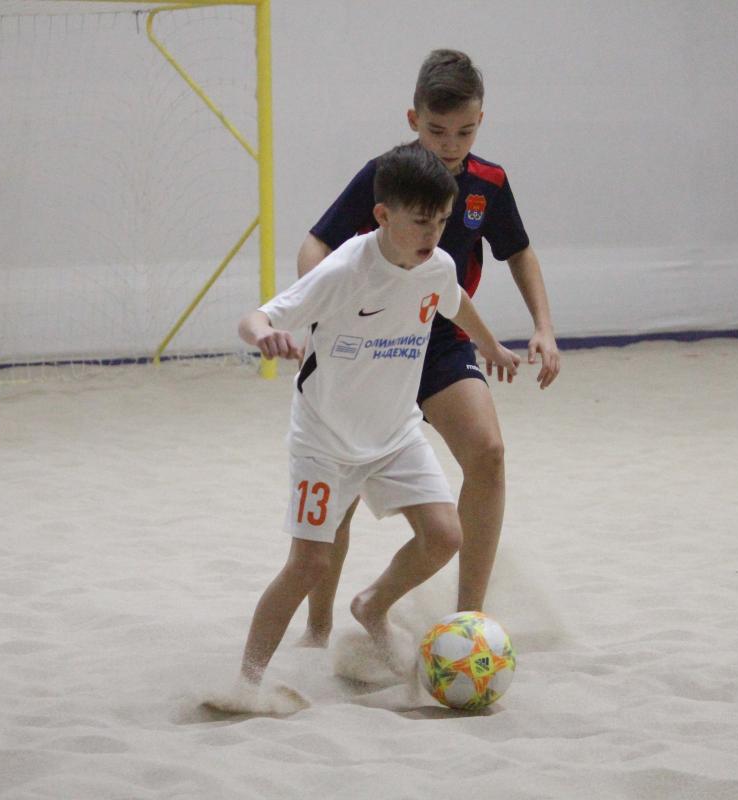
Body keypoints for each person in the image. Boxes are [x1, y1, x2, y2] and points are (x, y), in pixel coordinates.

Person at [222, 143, 520, 706]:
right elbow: (255, 316)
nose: (433, 232)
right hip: (325, 441)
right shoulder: (345, 271)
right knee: (307, 564)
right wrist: (265, 334)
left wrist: (492, 346)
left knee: (445, 536)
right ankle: (245, 684)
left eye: (442, 220)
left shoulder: (437, 264)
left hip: (395, 434)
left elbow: (455, 300)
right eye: (421, 221)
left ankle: (371, 605)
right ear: (383, 215)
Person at [295, 49, 560, 644]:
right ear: (413, 119)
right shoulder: (385, 175)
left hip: (439, 335)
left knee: (488, 453)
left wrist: (542, 326)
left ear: (481, 121)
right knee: (342, 486)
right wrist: (319, 307)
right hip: (369, 339)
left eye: (464, 131)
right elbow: (316, 243)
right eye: (437, 131)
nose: (450, 144)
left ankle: (466, 623)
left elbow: (519, 251)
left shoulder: (488, 184)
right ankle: (317, 630)